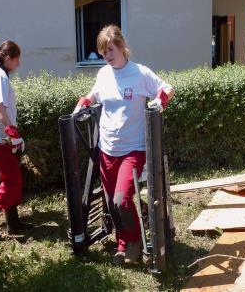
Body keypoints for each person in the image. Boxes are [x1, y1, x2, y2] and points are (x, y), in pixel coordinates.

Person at [73, 25, 174, 265]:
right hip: (107, 148)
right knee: (111, 204)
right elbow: (94, 95)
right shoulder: (104, 74)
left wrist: (160, 102)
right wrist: (82, 103)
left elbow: (167, 88)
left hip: (133, 148)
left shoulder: (140, 73)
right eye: (102, 52)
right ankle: (122, 244)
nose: (107, 56)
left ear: (121, 47)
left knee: (122, 200)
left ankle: (136, 243)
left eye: (110, 50)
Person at [0, 40, 31, 238]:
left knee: (13, 179)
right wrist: (13, 135)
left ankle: (13, 223)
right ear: (7, 58)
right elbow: (0, 108)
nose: (18, 64)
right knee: (12, 181)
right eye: (16, 60)